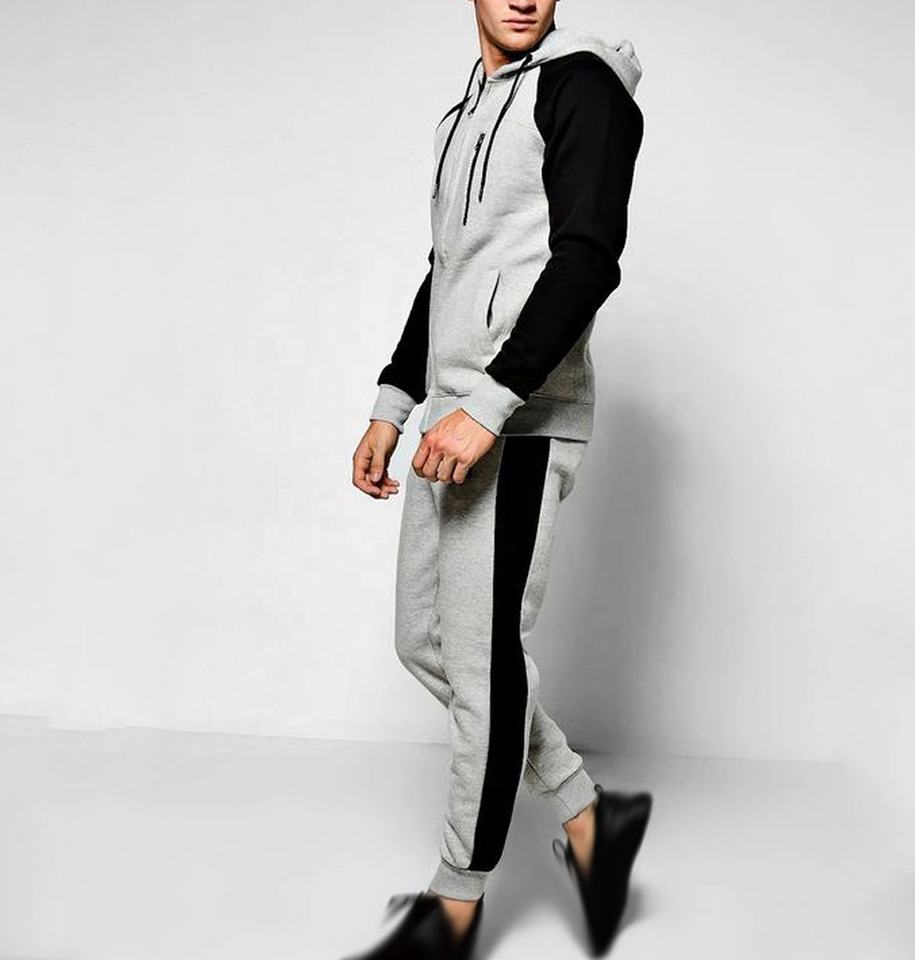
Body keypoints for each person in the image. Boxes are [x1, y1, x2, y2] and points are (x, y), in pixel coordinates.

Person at [348, 3, 651, 957]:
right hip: (452, 418)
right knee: (426, 643)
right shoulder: (465, 113)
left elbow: (589, 258)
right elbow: (446, 273)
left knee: (483, 664)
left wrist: (492, 403)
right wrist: (394, 402)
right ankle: (590, 813)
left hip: (518, 420)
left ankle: (455, 902)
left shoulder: (582, 86)